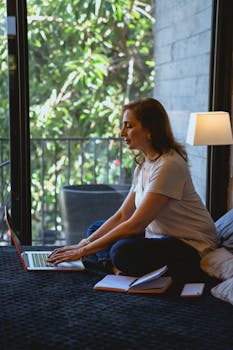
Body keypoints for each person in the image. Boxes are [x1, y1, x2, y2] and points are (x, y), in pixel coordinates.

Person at [48, 98, 218, 278]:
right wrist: (83, 244)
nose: (122, 133)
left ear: (150, 130)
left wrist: (82, 251)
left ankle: (110, 263)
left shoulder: (169, 165)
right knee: (96, 228)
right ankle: (114, 268)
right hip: (158, 236)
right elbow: (122, 215)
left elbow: (136, 225)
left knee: (122, 251)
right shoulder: (144, 165)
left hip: (190, 245)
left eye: (128, 126)